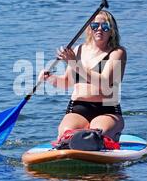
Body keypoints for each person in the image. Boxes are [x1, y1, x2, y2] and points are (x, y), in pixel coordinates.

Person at [38, 10, 126, 141]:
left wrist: (75, 64)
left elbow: (105, 83)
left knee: (95, 136)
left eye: (105, 26)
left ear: (112, 30)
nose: (99, 29)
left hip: (107, 109)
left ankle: (111, 134)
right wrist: (49, 78)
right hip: (78, 108)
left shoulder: (117, 52)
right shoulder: (78, 50)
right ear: (89, 29)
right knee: (66, 136)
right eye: (95, 26)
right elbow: (66, 82)